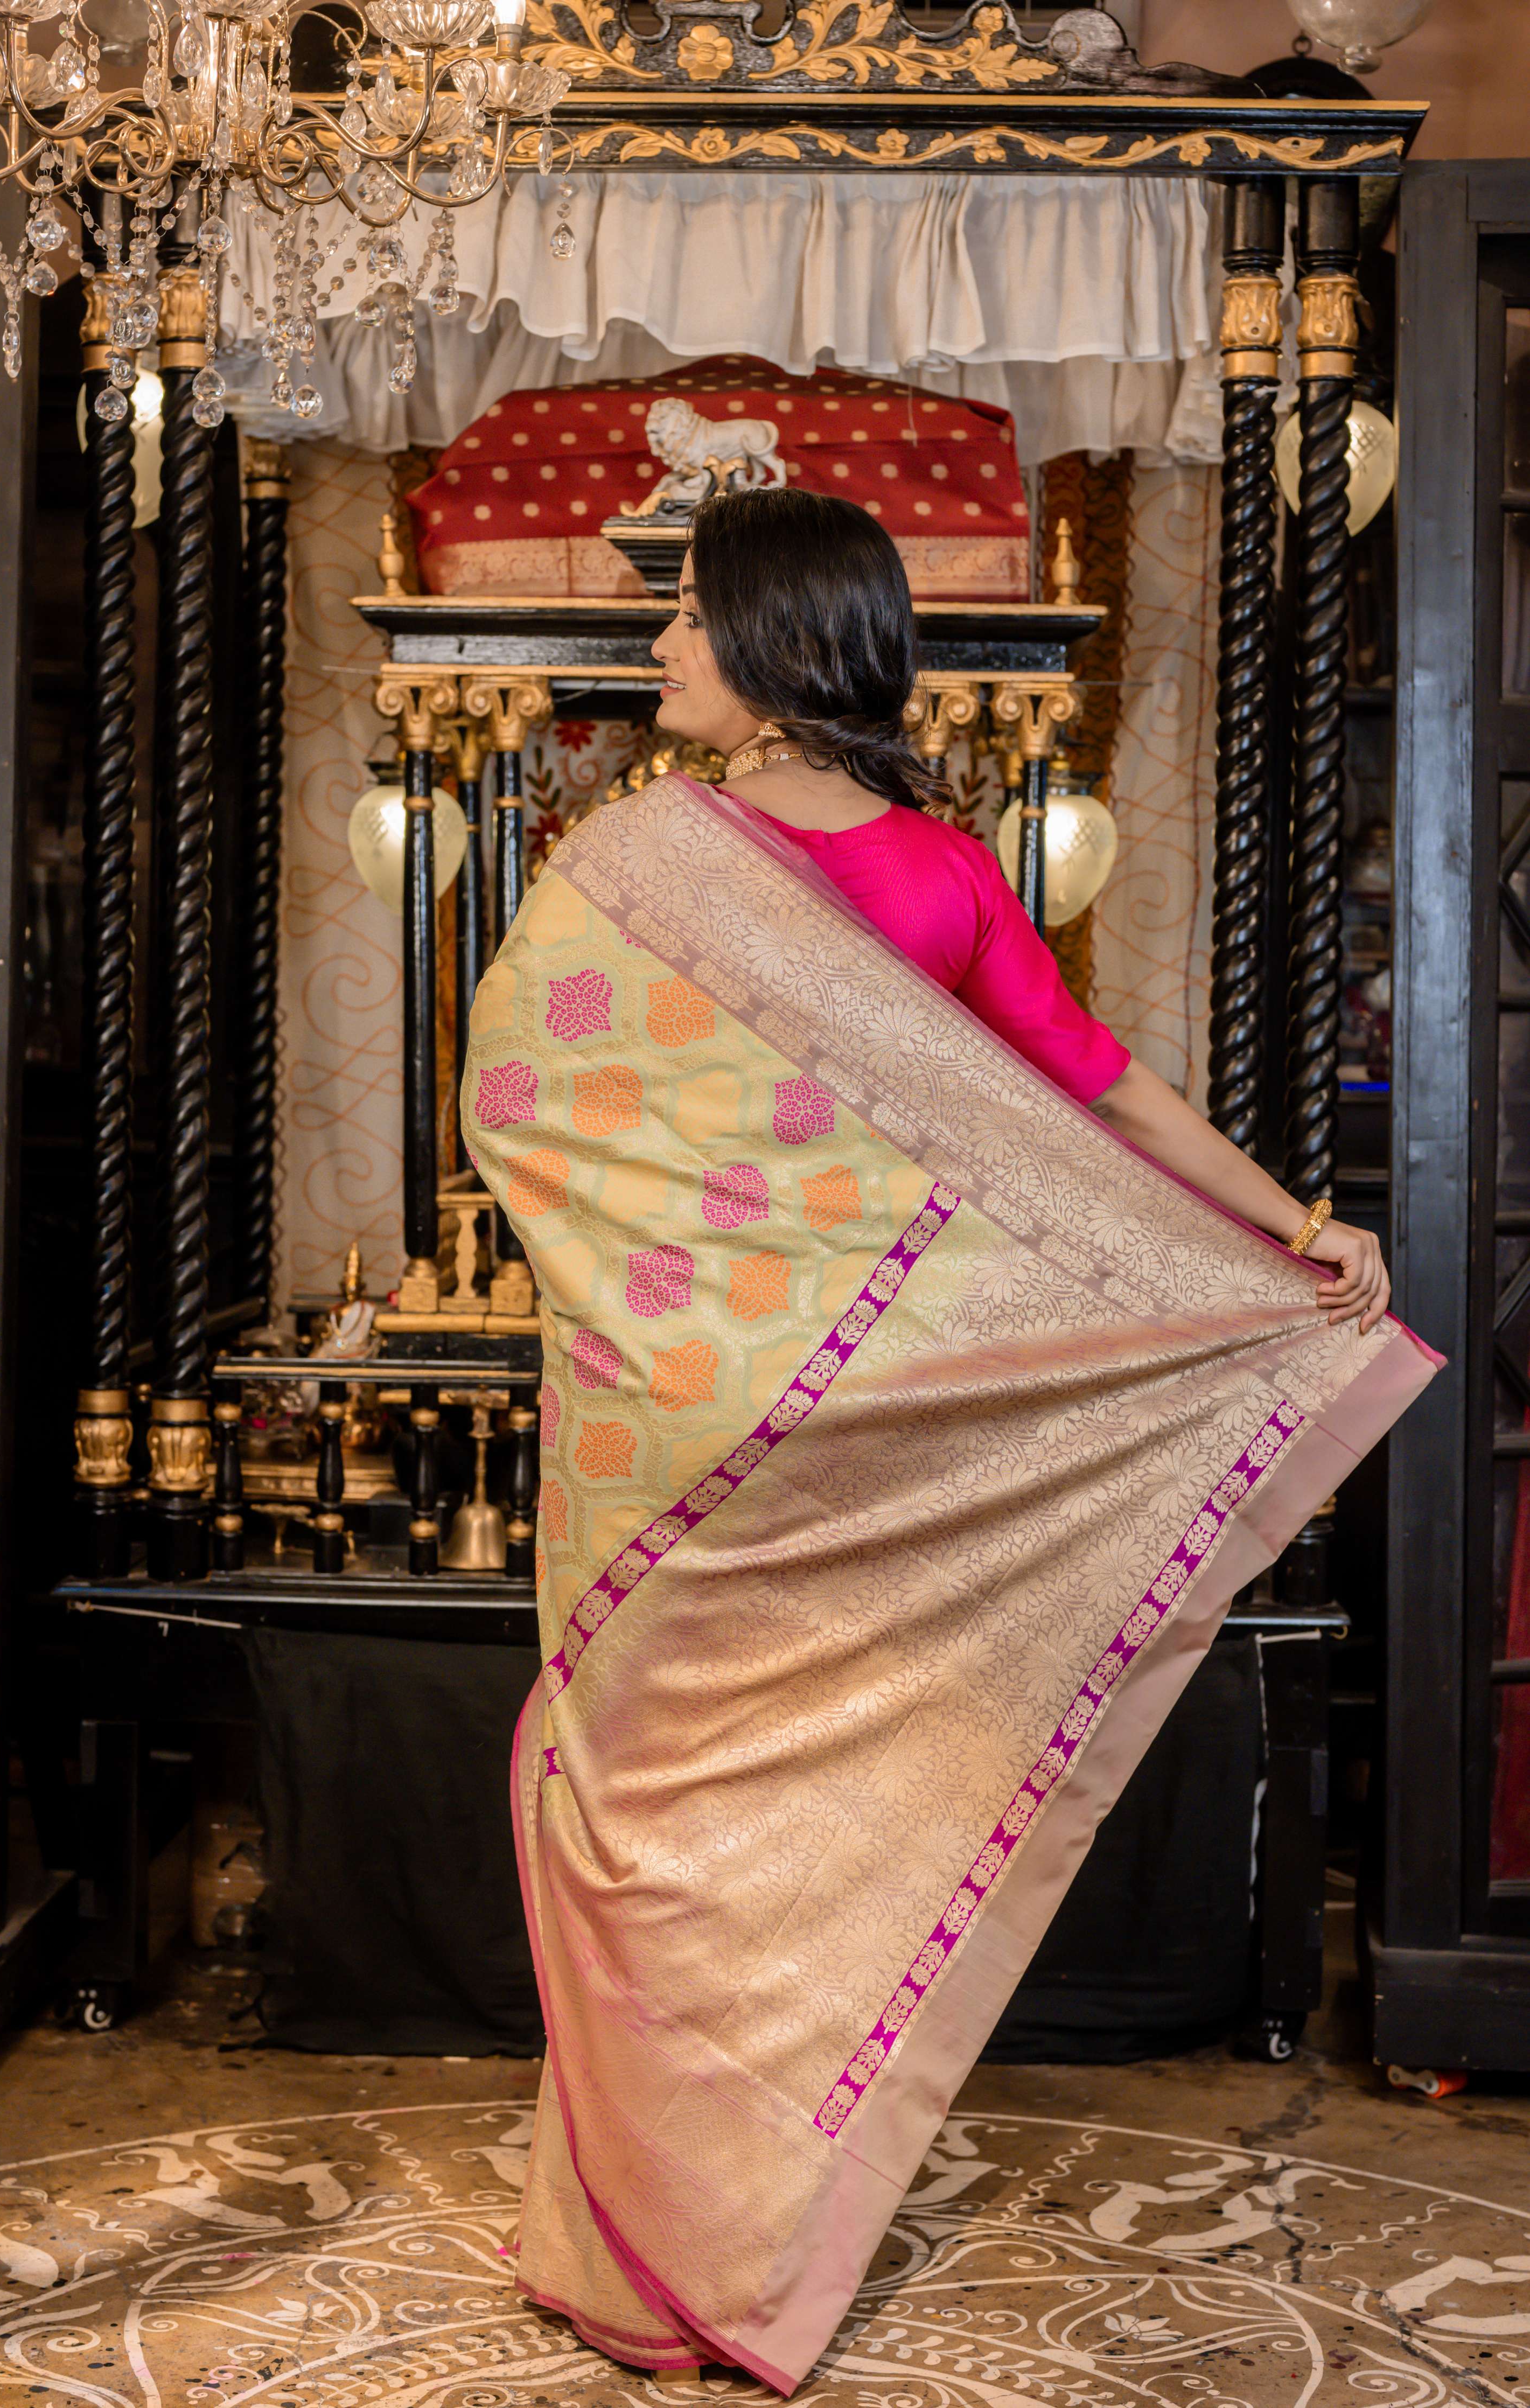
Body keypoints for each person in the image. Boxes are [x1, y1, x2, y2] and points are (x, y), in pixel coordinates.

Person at [460, 486, 1433, 2392]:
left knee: (632, 1816)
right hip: (885, 1416)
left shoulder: (630, 865)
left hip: (688, 1432)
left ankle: (655, 2255)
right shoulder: (936, 866)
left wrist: (673, 1287)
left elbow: (519, 1100)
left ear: (762, 646)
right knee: (821, 1821)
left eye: (681, 622)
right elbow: (1097, 1092)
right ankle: (739, 2247)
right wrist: (1297, 1229)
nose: (656, 651)